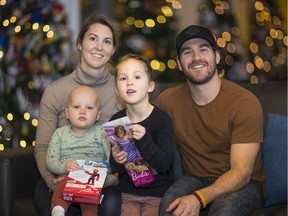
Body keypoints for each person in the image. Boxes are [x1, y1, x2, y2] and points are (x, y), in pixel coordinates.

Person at [156, 25, 264, 216]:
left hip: (243, 184)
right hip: (194, 178)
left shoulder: (244, 102)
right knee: (169, 206)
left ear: (216, 57)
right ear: (180, 64)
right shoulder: (167, 101)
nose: (196, 57)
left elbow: (242, 172)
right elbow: (146, 133)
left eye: (203, 49)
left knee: (225, 210)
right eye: (187, 52)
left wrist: (199, 198)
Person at [34, 13, 123, 216]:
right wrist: (53, 181)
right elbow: (43, 147)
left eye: (107, 41)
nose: (99, 47)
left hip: (103, 181)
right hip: (59, 178)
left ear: (113, 49)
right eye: (93, 38)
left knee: (109, 206)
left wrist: (110, 179)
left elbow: (128, 146)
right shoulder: (56, 90)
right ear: (80, 43)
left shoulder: (122, 92)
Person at [109, 54, 175, 216]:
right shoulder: (117, 121)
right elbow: (117, 168)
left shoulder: (161, 120)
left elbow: (164, 163)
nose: (129, 82)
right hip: (128, 194)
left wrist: (145, 139)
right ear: (117, 90)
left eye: (137, 77)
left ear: (150, 86)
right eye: (123, 79)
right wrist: (116, 159)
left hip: (157, 194)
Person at [46, 86, 118, 216]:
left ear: (98, 115)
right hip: (68, 177)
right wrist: (64, 166)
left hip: (93, 180)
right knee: (62, 183)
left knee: (89, 195)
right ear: (67, 113)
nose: (82, 111)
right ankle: (58, 210)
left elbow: (111, 157)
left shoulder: (102, 133)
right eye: (76, 107)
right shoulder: (59, 134)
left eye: (89, 108)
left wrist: (103, 172)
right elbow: (50, 160)